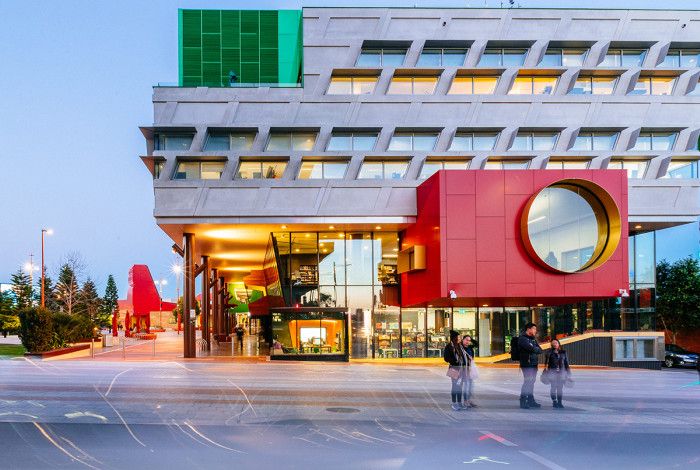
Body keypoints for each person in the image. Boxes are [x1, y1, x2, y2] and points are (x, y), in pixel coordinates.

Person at [518, 322, 543, 409]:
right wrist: (534, 348)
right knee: (527, 382)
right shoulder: (522, 339)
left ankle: (530, 400)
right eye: (534, 329)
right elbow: (532, 348)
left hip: (533, 363)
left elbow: (540, 350)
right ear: (528, 329)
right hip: (526, 364)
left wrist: (534, 348)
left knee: (531, 382)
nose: (535, 331)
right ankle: (523, 401)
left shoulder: (532, 339)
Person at [443, 330, 466, 411]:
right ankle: (454, 403)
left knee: (460, 386)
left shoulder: (459, 346)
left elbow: (462, 356)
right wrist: (454, 361)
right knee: (454, 386)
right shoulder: (448, 347)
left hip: (460, 368)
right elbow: (446, 358)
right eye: (457, 337)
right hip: (453, 368)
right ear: (453, 338)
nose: (458, 338)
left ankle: (459, 402)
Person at [545, 339, 571, 408]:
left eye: (556, 343)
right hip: (552, 373)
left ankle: (560, 402)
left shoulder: (563, 352)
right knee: (553, 387)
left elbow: (566, 363)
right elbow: (546, 363)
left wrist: (568, 372)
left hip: (561, 373)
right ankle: (554, 401)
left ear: (559, 344)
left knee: (560, 388)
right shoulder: (549, 352)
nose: (554, 344)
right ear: (551, 345)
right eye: (553, 343)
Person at [461, 335, 478, 408]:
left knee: (471, 385)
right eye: (466, 340)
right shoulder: (460, 348)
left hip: (471, 368)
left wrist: (471, 338)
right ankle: (465, 401)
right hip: (464, 369)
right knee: (466, 385)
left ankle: (469, 400)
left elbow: (477, 344)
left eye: (469, 340)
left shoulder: (470, 348)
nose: (468, 342)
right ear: (463, 340)